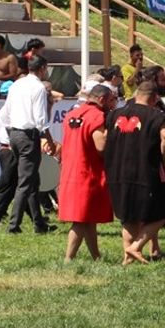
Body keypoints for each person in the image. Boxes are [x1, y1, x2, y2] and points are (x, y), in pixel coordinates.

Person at [104, 80, 165, 264]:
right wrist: (164, 160)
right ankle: (136, 247)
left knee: (128, 215)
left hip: (117, 171)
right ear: (155, 98)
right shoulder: (156, 115)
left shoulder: (115, 114)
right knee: (163, 212)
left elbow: (106, 138)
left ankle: (127, 260)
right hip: (145, 171)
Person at [58, 84, 116, 261]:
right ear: (101, 99)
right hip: (88, 173)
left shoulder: (72, 114)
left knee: (88, 217)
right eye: (112, 100)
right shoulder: (97, 116)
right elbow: (101, 146)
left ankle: (96, 256)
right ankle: (69, 258)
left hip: (70, 170)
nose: (114, 105)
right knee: (81, 218)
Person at [2, 55, 57, 234]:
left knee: (32, 180)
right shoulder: (38, 88)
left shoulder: (16, 84)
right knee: (26, 182)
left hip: (15, 133)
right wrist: (49, 138)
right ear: (42, 68)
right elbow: (41, 119)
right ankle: (13, 225)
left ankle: (38, 222)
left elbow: (7, 113)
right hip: (28, 135)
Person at [0, 81, 17, 223]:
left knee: (17, 186)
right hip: (10, 150)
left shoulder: (4, 111)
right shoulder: (8, 112)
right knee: (8, 185)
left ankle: (36, 219)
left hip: (7, 150)